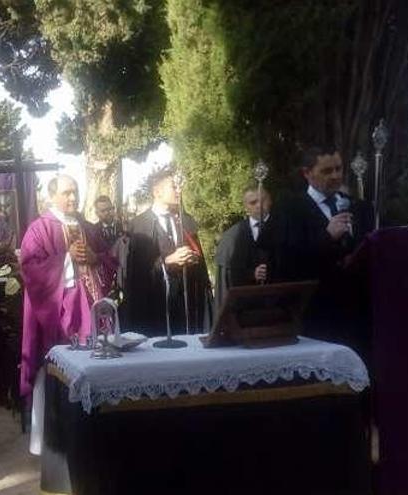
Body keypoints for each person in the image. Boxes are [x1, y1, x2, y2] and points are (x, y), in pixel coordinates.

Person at [19, 174, 115, 454]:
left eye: (75, 192)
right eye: (67, 193)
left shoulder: (87, 227)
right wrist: (66, 260)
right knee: (60, 372)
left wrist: (96, 259)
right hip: (58, 312)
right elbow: (30, 269)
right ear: (52, 196)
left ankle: (91, 434)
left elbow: (109, 261)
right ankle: (57, 441)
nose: (73, 198)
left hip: (92, 310)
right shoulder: (39, 229)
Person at [258, 146, 373, 348]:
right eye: (327, 171)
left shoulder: (358, 207)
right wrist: (326, 237)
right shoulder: (290, 209)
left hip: (355, 314)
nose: (335, 176)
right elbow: (285, 262)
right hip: (313, 316)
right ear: (307, 173)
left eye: (339, 169)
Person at [124, 167, 211, 336]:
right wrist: (167, 261)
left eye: (179, 186)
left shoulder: (185, 221)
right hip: (155, 303)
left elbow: (200, 263)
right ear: (158, 192)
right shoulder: (139, 225)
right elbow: (135, 270)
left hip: (185, 302)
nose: (179, 191)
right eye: (174, 187)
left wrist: (193, 259)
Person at [214, 188, 272, 308]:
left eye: (263, 200)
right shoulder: (231, 237)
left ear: (270, 200)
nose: (259, 206)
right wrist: (252, 274)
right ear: (245, 206)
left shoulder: (286, 227)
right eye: (253, 202)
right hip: (246, 309)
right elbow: (227, 280)